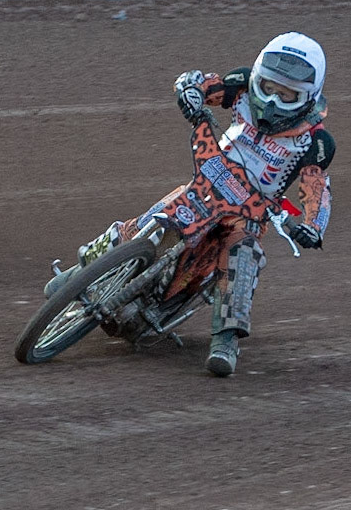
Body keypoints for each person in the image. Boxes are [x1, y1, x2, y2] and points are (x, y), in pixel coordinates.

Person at [50, 32, 335, 377]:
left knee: (242, 257)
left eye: (286, 94)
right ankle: (81, 273)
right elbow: (202, 82)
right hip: (210, 179)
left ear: (307, 98)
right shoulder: (242, 85)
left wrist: (312, 225)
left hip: (251, 209)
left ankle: (226, 340)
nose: (273, 100)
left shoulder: (315, 141)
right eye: (269, 87)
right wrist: (190, 92)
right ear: (259, 77)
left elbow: (315, 186)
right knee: (152, 220)